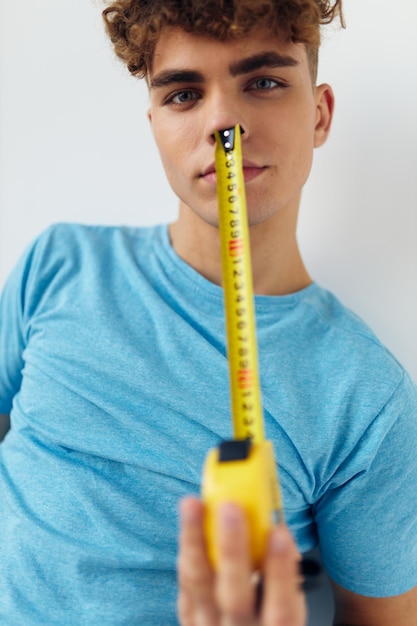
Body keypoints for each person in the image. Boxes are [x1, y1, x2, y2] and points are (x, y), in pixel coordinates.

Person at [0, 0, 416, 624]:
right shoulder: (58, 265)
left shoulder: (368, 401)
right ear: (155, 126)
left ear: (320, 115)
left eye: (264, 83)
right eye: (184, 95)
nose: (223, 122)